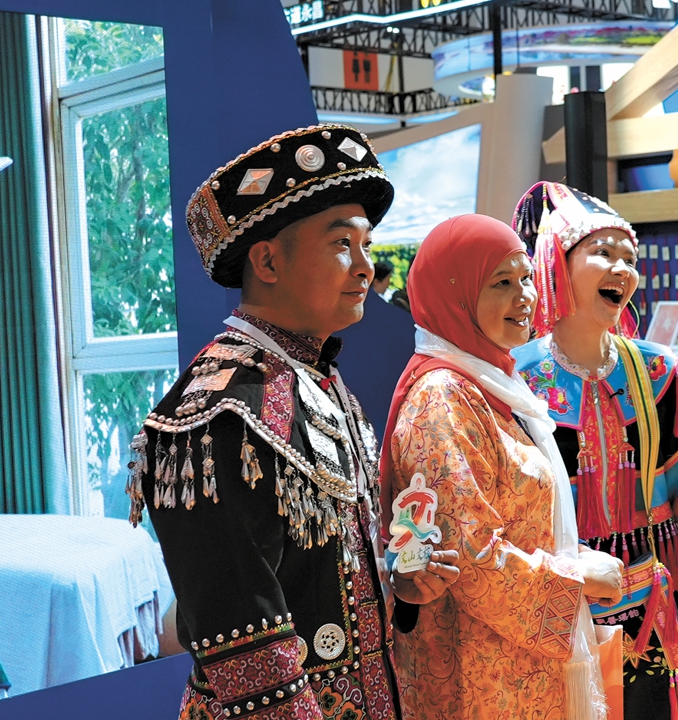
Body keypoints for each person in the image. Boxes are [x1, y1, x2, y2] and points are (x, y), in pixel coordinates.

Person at [128, 125, 458, 720]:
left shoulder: (319, 381)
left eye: (366, 244)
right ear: (269, 259)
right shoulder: (217, 409)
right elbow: (240, 639)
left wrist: (401, 588)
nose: (366, 268)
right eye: (341, 244)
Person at [381, 214, 625, 720]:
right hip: (484, 678)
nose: (525, 297)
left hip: (519, 664)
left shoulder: (490, 383)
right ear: (456, 295)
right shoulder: (443, 399)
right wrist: (575, 578)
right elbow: (469, 558)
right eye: (501, 283)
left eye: (527, 279)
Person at [511, 182, 678, 720]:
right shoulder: (516, 376)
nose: (622, 269)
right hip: (566, 592)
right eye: (603, 252)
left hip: (654, 586)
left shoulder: (657, 369)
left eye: (630, 258)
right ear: (556, 265)